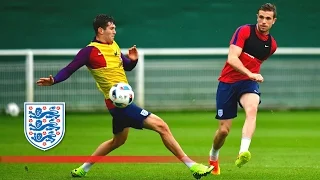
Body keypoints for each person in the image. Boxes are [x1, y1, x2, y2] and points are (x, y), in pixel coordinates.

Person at [36, 14, 213, 179]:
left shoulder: (114, 46)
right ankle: (193, 167)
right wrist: (54, 80)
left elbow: (126, 66)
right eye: (111, 28)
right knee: (162, 126)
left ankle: (83, 169)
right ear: (100, 30)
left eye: (114, 28)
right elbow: (69, 69)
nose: (114, 31)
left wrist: (133, 60)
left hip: (121, 103)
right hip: (118, 105)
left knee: (117, 141)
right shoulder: (89, 51)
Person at [208, 3, 278, 175]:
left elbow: (255, 63)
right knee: (223, 131)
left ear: (273, 21)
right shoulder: (244, 31)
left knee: (252, 109)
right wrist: (250, 73)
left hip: (248, 83)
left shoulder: (272, 46)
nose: (263, 21)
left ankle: (243, 152)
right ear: (257, 17)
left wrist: (250, 76)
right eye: (261, 17)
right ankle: (213, 156)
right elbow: (232, 58)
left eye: (268, 18)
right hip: (227, 83)